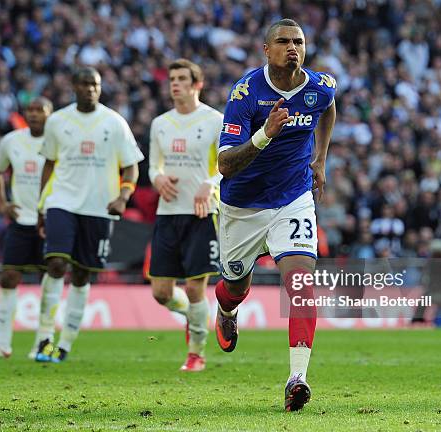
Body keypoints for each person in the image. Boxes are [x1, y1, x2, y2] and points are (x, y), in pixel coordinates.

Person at [214, 19, 336, 411]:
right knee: (234, 286)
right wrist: (265, 134)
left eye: (298, 41)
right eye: (283, 41)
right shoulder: (246, 93)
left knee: (300, 283)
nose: (292, 47)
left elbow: (328, 109)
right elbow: (225, 165)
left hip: (293, 199)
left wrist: (320, 158)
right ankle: (226, 311)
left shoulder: (320, 86)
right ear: (266, 50)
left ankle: (297, 378)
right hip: (243, 206)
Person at [33, 67, 144, 363]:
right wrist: (41, 205)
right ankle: (44, 337)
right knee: (56, 264)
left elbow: (131, 165)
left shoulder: (114, 122)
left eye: (95, 84)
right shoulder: (58, 121)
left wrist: (123, 196)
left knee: (82, 274)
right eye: (84, 84)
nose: (90, 89)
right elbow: (49, 164)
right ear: (73, 86)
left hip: (99, 207)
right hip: (62, 202)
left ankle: (65, 343)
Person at [148, 59, 222, 372]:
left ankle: (196, 354)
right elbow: (154, 166)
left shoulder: (215, 120)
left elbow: (226, 165)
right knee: (161, 292)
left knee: (195, 288)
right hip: (168, 213)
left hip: (202, 212)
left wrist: (209, 183)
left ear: (197, 84)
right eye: (172, 79)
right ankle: (196, 317)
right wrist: (157, 179)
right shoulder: (160, 123)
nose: (174, 84)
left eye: (181, 79)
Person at [0, 97, 53, 360]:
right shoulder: (12, 141)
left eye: (39, 110)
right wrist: (2, 203)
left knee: (50, 281)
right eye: (30, 110)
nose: (33, 115)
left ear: (49, 114)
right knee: (9, 277)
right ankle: (2, 344)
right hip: (21, 220)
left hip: (50, 221)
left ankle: (44, 343)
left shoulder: (59, 142)